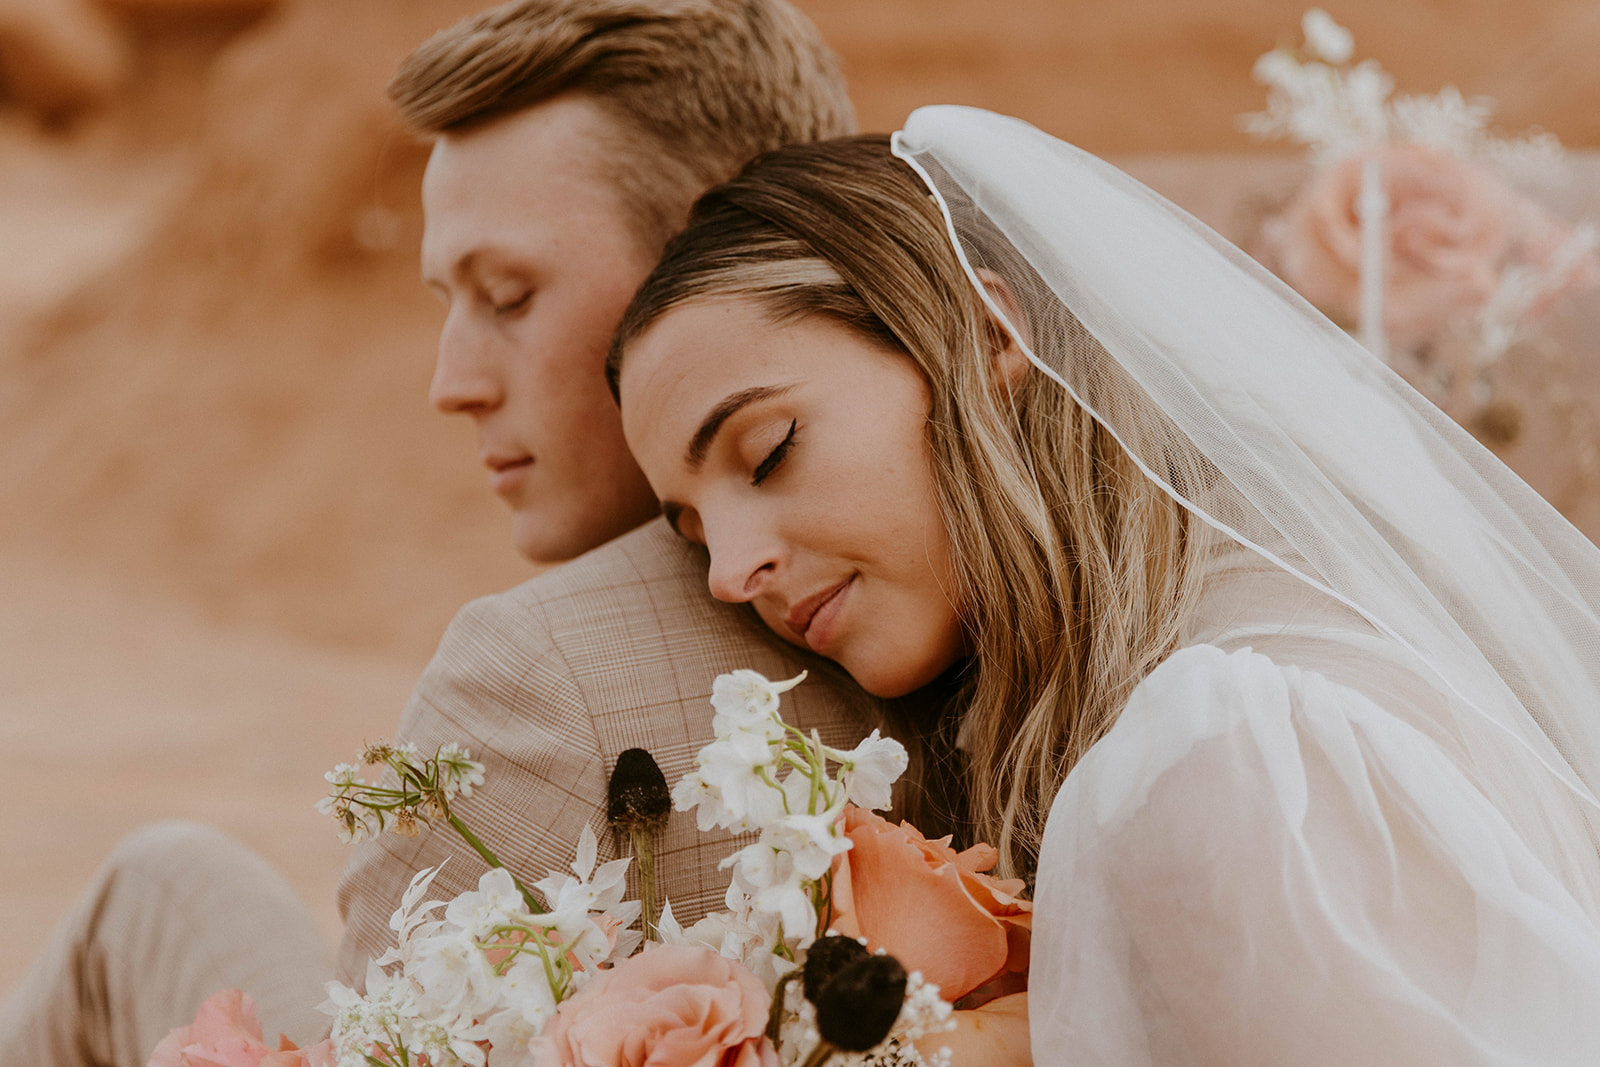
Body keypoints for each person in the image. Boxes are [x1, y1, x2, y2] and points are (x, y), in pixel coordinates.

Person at [609, 109, 1600, 1063]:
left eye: (768, 449)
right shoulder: (1257, 668)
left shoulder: (1226, 757)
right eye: (692, 530)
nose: (730, 572)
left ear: (992, 334)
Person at [0, 4, 880, 1064]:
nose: (449, 382)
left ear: (705, 264)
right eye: (447, 303)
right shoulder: (980, 562)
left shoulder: (535, 679)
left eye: (508, 296)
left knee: (155, 887)